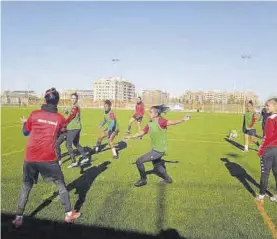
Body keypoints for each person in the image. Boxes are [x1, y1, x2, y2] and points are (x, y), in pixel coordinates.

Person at [12, 88, 81, 228]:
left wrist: (25, 123)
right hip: (48, 158)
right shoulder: (60, 118)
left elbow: (25, 132)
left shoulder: (34, 114)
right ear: (57, 101)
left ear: (44, 100)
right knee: (60, 184)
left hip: (30, 157)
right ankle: (69, 214)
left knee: (26, 187)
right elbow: (62, 131)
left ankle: (18, 218)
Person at [124, 105, 191, 187]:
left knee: (139, 161)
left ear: (156, 114)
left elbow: (172, 122)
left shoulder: (161, 121)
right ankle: (168, 179)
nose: (149, 114)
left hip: (159, 150)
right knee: (157, 165)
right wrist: (130, 136)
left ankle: (143, 180)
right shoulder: (150, 123)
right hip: (155, 149)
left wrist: (183, 119)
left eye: (151, 112)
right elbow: (141, 133)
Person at [56, 93, 89, 168]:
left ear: (77, 99)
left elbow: (72, 116)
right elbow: (71, 114)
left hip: (74, 128)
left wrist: (64, 124)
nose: (73, 99)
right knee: (76, 144)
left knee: (68, 145)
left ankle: (74, 162)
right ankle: (85, 157)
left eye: (74, 98)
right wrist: (66, 112)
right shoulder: (74, 106)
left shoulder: (75, 107)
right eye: (72, 98)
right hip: (75, 128)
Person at [256, 98, 277, 202]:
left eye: (268, 105)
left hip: (269, 150)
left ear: (274, 106)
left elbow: (267, 137)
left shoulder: (270, 119)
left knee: (265, 173)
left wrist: (260, 150)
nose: (266, 107)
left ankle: (261, 196)